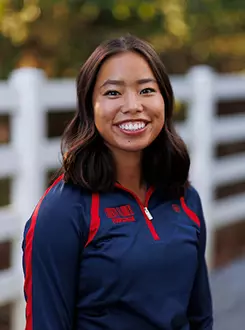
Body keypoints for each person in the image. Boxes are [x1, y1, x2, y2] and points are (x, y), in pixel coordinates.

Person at [22, 35, 213, 330]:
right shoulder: (62, 210)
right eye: (113, 93)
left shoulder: (186, 198)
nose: (133, 105)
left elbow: (200, 317)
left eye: (147, 90)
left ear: (164, 100)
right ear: (90, 106)